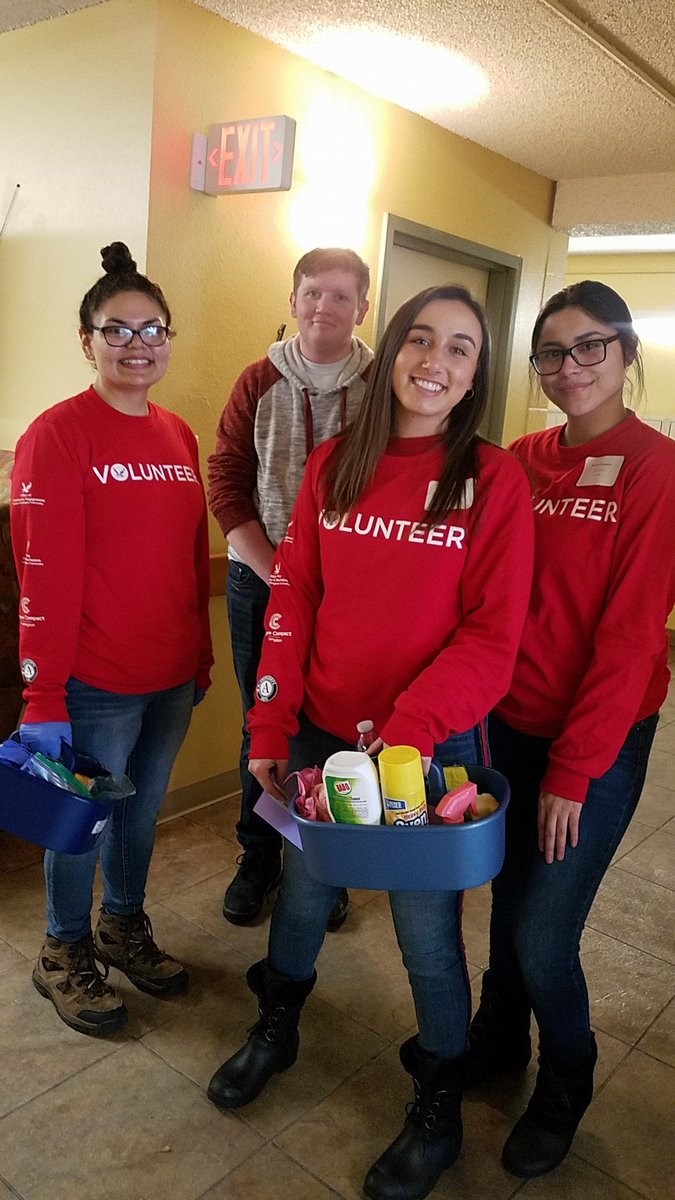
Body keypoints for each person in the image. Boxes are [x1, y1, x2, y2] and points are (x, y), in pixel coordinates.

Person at [206, 284, 535, 1200]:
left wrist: (401, 741)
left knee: (426, 933)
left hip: (425, 751)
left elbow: (491, 638)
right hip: (322, 734)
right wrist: (269, 721)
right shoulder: (335, 464)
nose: (435, 361)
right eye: (420, 339)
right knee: (305, 893)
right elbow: (295, 598)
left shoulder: (493, 481)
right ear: (390, 352)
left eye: (460, 348)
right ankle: (276, 1027)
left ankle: (437, 1105)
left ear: (476, 373)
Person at [466, 280, 675, 1178]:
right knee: (505, 899)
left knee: (544, 932)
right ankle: (496, 1038)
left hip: (597, 740)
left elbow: (630, 638)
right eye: (551, 352)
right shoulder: (520, 459)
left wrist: (573, 770)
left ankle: (565, 1081)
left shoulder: (656, 469)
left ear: (625, 353)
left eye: (590, 346)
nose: (570, 366)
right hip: (506, 724)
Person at [10, 242, 213, 1037]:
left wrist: (199, 654)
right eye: (117, 330)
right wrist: (42, 694)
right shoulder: (58, 435)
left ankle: (121, 926)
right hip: (93, 682)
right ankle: (61, 950)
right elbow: (42, 572)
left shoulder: (178, 435)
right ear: (86, 340)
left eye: (152, 329)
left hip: (170, 675)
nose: (137, 344)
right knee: (78, 825)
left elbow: (187, 554)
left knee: (139, 816)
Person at [207, 247, 372, 928]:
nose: (323, 307)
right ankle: (258, 857)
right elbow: (226, 479)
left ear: (362, 308)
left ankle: (325, 863)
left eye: (340, 296)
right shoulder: (258, 381)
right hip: (261, 581)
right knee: (264, 722)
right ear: (293, 301)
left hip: (351, 592)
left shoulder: (384, 384)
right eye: (312, 293)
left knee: (336, 726)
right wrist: (279, 570)